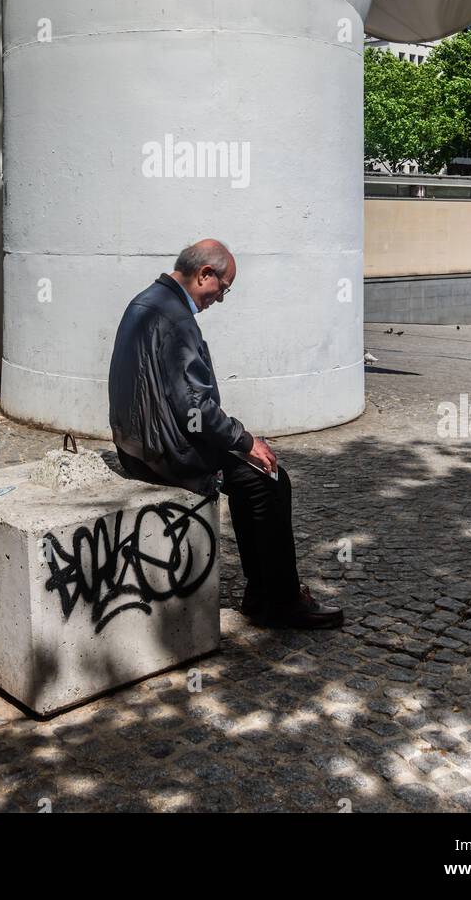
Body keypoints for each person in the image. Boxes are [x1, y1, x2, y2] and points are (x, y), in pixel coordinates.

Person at [108, 239, 344, 629]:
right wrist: (245, 441)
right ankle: (281, 600)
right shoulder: (177, 320)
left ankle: (261, 592)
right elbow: (194, 408)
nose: (221, 298)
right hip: (162, 450)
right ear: (204, 275)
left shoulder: (146, 301)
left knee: (250, 476)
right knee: (268, 478)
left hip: (136, 442)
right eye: (224, 287)